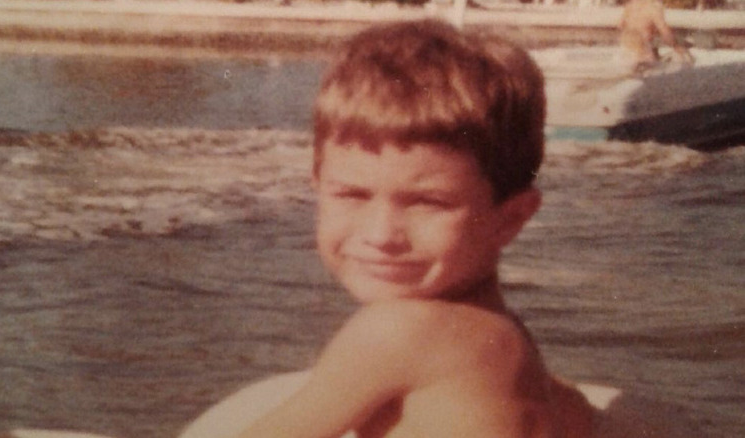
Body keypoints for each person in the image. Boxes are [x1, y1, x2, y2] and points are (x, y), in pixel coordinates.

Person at [193, 20, 596, 438]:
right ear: (318, 185)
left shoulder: (399, 332)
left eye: (427, 202)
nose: (382, 235)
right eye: (352, 194)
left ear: (509, 218)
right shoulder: (506, 339)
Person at [619, 0, 694, 72]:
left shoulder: (631, 5)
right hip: (642, 53)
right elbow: (666, 34)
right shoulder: (654, 7)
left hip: (624, 50)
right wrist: (677, 46)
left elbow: (621, 25)